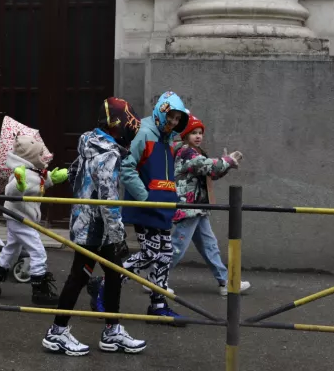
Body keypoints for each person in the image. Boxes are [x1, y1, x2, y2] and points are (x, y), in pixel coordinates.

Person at [41, 98, 147, 357]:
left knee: (113, 275)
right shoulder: (108, 155)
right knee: (79, 275)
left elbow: (75, 176)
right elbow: (109, 201)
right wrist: (119, 235)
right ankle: (57, 332)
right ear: (118, 126)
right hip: (96, 230)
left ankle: (112, 331)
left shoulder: (90, 145)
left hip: (87, 222)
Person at [88, 90, 188, 323]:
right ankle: (103, 286)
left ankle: (159, 304)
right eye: (170, 117)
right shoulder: (143, 133)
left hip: (163, 207)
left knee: (164, 255)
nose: (172, 122)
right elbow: (126, 168)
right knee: (150, 253)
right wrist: (145, 197)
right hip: (145, 208)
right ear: (161, 111)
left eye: (177, 119)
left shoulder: (169, 138)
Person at [0, 135, 68, 305]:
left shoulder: (34, 170)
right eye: (41, 154)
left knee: (12, 249)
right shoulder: (22, 172)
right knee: (38, 252)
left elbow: (38, 184)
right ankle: (39, 290)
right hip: (20, 219)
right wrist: (19, 185)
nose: (45, 157)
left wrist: (53, 179)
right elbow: (11, 192)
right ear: (31, 156)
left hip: (20, 218)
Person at [170, 114, 250, 296]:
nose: (198, 136)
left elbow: (210, 173)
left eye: (200, 133)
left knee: (210, 245)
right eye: (193, 133)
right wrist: (227, 161)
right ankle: (154, 279)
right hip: (189, 207)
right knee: (177, 247)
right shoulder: (185, 152)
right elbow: (207, 166)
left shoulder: (193, 152)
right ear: (184, 135)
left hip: (197, 207)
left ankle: (226, 282)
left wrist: (226, 165)